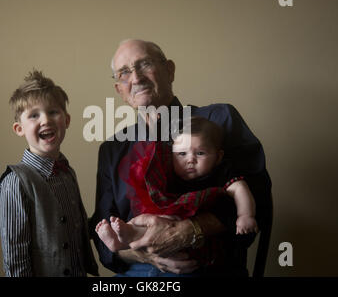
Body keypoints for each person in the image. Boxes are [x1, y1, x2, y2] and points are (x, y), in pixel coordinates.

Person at [91, 39, 272, 277]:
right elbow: (102, 233)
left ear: (169, 70)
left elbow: (258, 198)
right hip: (138, 271)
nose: (135, 78)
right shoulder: (112, 150)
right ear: (119, 91)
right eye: (124, 73)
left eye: (144, 64)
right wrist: (144, 254)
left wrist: (189, 230)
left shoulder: (219, 120)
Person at [95, 116, 258, 254]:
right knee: (146, 219)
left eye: (200, 153)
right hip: (168, 219)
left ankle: (125, 238)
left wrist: (245, 216)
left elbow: (240, 189)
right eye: (182, 154)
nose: (190, 159)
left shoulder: (221, 173)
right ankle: (120, 241)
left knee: (160, 224)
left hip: (196, 238)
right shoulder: (172, 173)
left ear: (218, 156)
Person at [0, 70, 98, 277]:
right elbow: (15, 255)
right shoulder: (16, 181)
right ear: (19, 128)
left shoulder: (67, 172)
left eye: (53, 112)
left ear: (67, 120)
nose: (45, 120)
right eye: (34, 115)